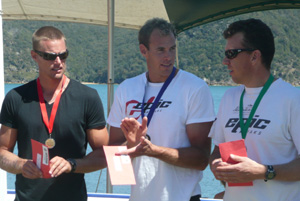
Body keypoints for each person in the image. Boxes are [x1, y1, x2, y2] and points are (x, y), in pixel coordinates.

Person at [107, 18, 215, 201]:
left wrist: (153, 150)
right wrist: (132, 146)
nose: (169, 57)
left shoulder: (194, 88)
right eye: (161, 50)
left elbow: (202, 159)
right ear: (144, 51)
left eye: (172, 48)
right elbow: (113, 153)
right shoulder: (127, 88)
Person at [0, 26, 109, 201]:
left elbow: (104, 155)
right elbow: (2, 152)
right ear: (34, 56)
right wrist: (21, 165)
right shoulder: (16, 98)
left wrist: (71, 164)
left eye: (63, 55)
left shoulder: (88, 97)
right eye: (50, 56)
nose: (58, 61)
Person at [209, 18, 300, 201]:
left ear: (254, 56)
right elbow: (217, 151)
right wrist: (215, 165)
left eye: (231, 53)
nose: (225, 61)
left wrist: (264, 172)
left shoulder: (292, 99)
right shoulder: (229, 98)